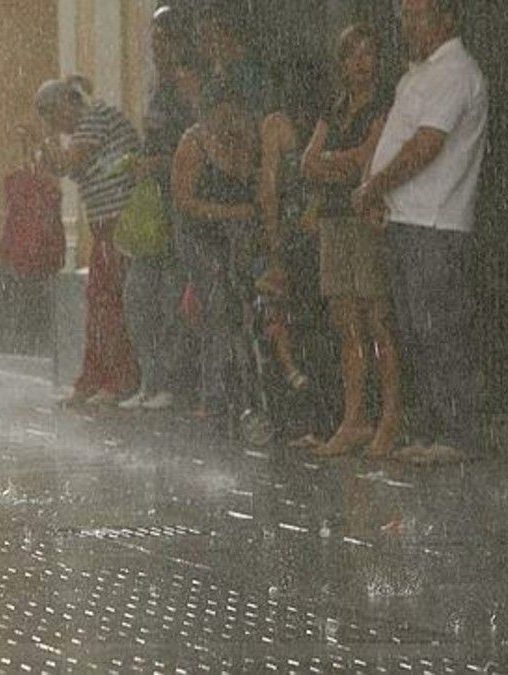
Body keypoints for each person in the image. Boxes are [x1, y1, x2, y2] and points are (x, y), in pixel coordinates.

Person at [353, 0, 487, 465]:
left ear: (447, 18)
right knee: (413, 329)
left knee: (439, 328)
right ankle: (432, 428)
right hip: (405, 220)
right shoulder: (417, 74)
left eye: (418, 15)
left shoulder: (455, 72)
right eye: (404, 16)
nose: (408, 26)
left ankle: (457, 431)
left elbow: (425, 147)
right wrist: (377, 196)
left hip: (436, 222)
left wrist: (374, 186)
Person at [302, 24, 399, 459]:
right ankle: (353, 417)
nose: (361, 63)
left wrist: (334, 162)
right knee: (346, 324)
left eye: (368, 54)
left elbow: (367, 159)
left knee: (378, 322)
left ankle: (389, 417)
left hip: (365, 219)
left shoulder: (384, 103)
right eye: (353, 55)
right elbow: (306, 162)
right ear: (341, 63)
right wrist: (337, 163)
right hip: (334, 219)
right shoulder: (336, 106)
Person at [24, 76, 141, 407]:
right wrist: (41, 147)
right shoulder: (82, 129)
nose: (55, 125)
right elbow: (57, 166)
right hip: (105, 225)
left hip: (121, 223)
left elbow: (64, 163)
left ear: (68, 103)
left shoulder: (95, 119)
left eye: (53, 115)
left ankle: (118, 380)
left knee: (110, 304)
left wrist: (44, 139)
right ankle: (95, 379)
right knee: (101, 302)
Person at [119, 2, 202, 411]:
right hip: (152, 204)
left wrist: (160, 163)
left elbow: (197, 145)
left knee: (172, 293)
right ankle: (149, 378)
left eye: (164, 40)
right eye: (154, 41)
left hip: (178, 203)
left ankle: (170, 380)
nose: (156, 48)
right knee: (139, 296)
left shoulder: (187, 86)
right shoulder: (157, 87)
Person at [257, 56, 339, 447]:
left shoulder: (276, 125)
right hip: (322, 230)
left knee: (292, 320)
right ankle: (329, 415)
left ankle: (303, 415)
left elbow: (269, 190)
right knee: (327, 322)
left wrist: (274, 243)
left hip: (293, 237)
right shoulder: (329, 122)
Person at [172, 90, 260, 423]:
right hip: (201, 239)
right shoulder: (194, 143)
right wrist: (228, 212)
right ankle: (215, 395)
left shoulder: (245, 139)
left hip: (236, 239)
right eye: (222, 112)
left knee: (241, 311)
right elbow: (184, 200)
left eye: (234, 111)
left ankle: (244, 391)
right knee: (217, 311)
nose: (229, 119)